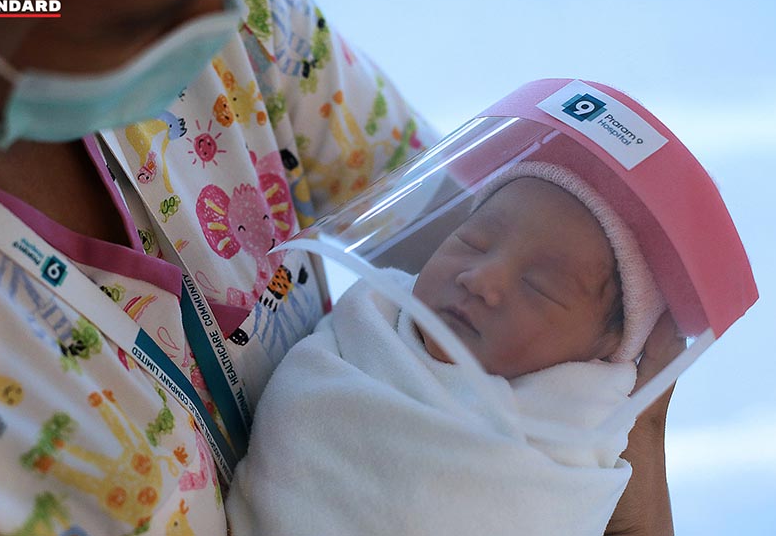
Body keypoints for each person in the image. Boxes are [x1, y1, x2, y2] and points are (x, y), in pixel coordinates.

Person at [0, 0, 675, 535]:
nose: (221, 17)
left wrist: (613, 429)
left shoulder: (241, 19)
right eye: (152, 22)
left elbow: (484, 219)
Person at [225, 153, 681, 535]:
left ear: (601, 353)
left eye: (540, 286)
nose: (481, 279)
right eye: (473, 241)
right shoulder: (375, 316)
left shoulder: (580, 421)